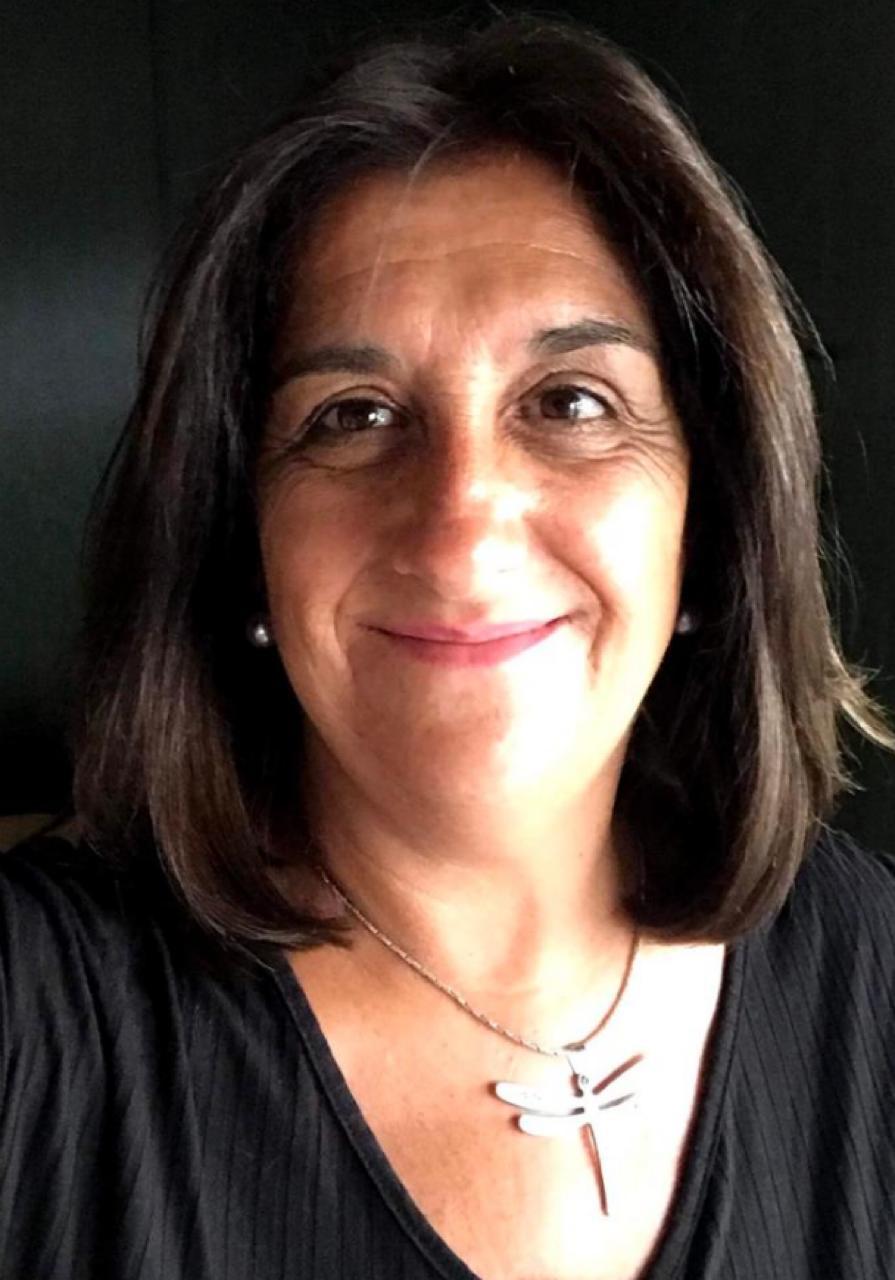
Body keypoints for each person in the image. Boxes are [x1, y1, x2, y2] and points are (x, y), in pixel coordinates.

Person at [2, 13, 894, 1279]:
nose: (462, 524)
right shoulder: (39, 1017)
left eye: (570, 401)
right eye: (353, 415)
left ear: (710, 516)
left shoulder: (875, 975)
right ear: (240, 533)